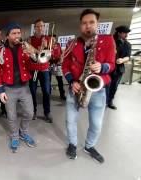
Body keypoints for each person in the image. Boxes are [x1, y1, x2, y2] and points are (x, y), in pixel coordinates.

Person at [62, 9, 115, 163]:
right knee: (70, 121)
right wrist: (72, 81)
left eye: (91, 22)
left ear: (97, 24)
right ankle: (72, 144)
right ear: (80, 26)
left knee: (97, 125)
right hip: (76, 88)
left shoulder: (107, 40)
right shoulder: (72, 43)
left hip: (97, 90)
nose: (88, 26)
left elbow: (112, 65)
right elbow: (65, 66)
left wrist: (102, 67)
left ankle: (89, 146)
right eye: (84, 23)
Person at [0, 23, 38, 153]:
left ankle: (23, 132)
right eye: (14, 33)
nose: (17, 36)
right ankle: (14, 136)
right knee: (11, 116)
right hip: (8, 88)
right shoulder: (0, 51)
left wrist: (33, 55)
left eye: (19, 33)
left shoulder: (26, 48)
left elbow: (35, 66)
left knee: (30, 113)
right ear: (7, 36)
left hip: (24, 87)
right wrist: (0, 91)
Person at [29, 19, 53, 123]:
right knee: (32, 91)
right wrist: (36, 51)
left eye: (42, 26)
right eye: (38, 26)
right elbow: (29, 56)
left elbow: (50, 56)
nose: (40, 28)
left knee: (46, 91)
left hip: (44, 69)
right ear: (34, 28)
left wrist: (46, 47)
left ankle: (47, 112)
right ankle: (33, 111)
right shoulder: (30, 40)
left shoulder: (49, 39)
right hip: (33, 69)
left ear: (44, 27)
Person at [107, 25, 131, 110]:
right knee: (106, 85)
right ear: (119, 33)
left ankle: (109, 101)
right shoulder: (110, 41)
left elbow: (128, 56)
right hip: (109, 68)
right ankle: (103, 100)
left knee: (114, 86)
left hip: (119, 69)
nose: (126, 35)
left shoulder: (127, 44)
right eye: (125, 33)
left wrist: (122, 60)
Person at [49, 35, 66, 100]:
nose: (53, 40)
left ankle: (62, 94)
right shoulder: (47, 46)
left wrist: (61, 59)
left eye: (54, 39)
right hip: (49, 64)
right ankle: (48, 94)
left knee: (60, 80)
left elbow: (61, 53)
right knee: (48, 80)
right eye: (51, 39)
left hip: (57, 64)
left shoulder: (58, 44)